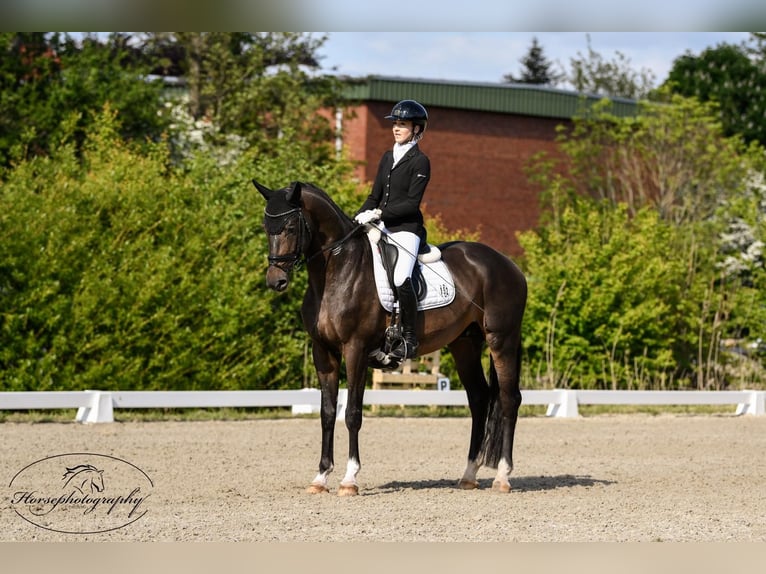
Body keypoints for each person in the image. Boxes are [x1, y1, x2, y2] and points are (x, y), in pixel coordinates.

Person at [354, 99, 431, 360]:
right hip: (383, 226)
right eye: (395, 124)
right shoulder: (388, 157)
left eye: (403, 124)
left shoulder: (420, 162)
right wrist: (357, 217)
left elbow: (411, 204)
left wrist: (378, 214)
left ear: (417, 129)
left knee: (400, 278)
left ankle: (409, 339)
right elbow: (374, 195)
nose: (396, 128)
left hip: (407, 230)